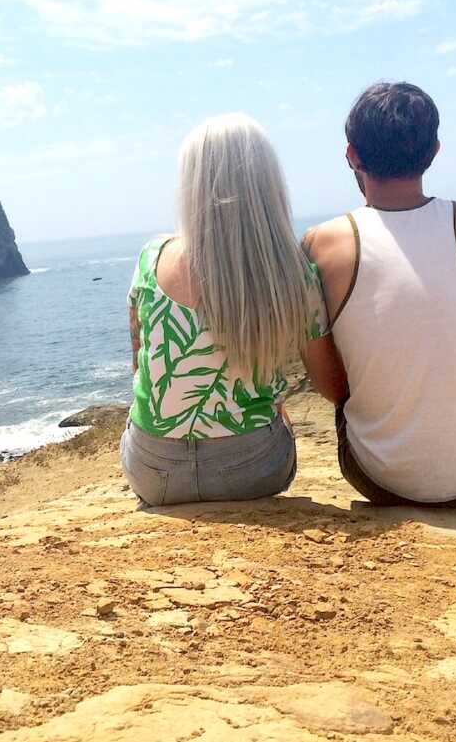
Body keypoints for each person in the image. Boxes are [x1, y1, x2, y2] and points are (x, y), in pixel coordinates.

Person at [304, 82, 456, 507]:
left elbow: (329, 383)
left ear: (352, 155)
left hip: (378, 479)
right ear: (435, 150)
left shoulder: (322, 242)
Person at [121, 114, 347, 507]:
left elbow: (141, 370)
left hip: (153, 472)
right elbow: (332, 386)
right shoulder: (294, 274)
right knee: (277, 416)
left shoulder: (150, 260)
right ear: (268, 184)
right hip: (251, 470)